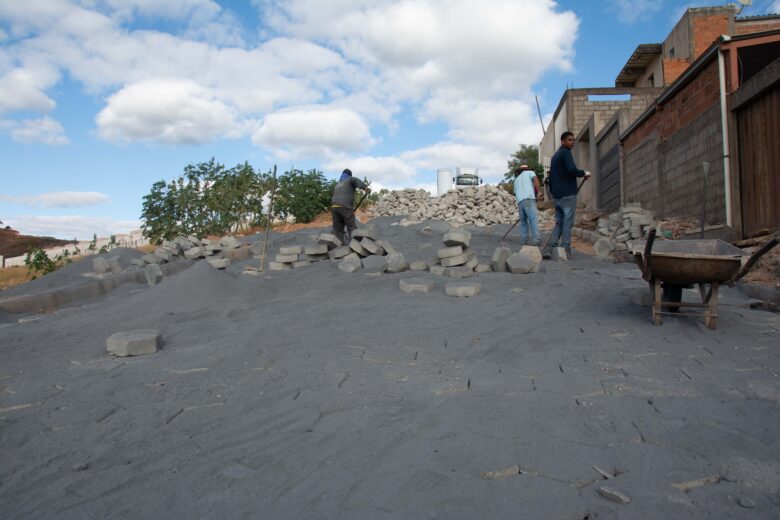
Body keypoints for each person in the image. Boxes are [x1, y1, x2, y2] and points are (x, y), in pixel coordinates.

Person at [546, 131, 590, 256]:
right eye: (570, 140)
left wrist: (554, 193)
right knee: (567, 222)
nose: (572, 142)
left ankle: (552, 246)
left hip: (558, 195)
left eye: (573, 140)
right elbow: (571, 169)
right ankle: (565, 248)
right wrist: (583, 173)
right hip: (568, 194)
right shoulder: (566, 153)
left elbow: (552, 177)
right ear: (563, 141)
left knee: (559, 222)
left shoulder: (555, 156)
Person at [331, 168, 371, 245]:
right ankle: (355, 246)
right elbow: (355, 180)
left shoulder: (338, 184)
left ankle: (337, 248)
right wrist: (365, 188)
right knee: (351, 227)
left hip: (334, 208)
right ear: (349, 175)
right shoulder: (350, 179)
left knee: (337, 230)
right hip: (345, 206)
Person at [513, 164, 541, 246]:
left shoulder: (516, 179)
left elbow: (515, 193)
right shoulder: (530, 172)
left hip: (520, 201)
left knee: (523, 222)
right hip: (528, 198)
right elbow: (535, 180)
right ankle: (536, 240)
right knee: (533, 219)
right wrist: (539, 191)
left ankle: (524, 240)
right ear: (526, 169)